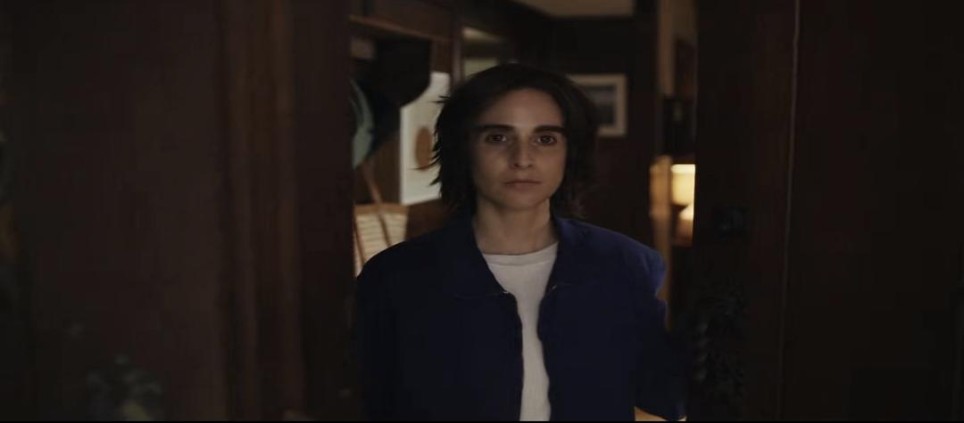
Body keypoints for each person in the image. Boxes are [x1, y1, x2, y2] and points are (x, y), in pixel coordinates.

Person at [354, 63, 687, 421]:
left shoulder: (623, 264)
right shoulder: (398, 277)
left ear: (569, 152)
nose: (522, 159)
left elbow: (665, 397)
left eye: (545, 139)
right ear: (464, 149)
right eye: (498, 138)